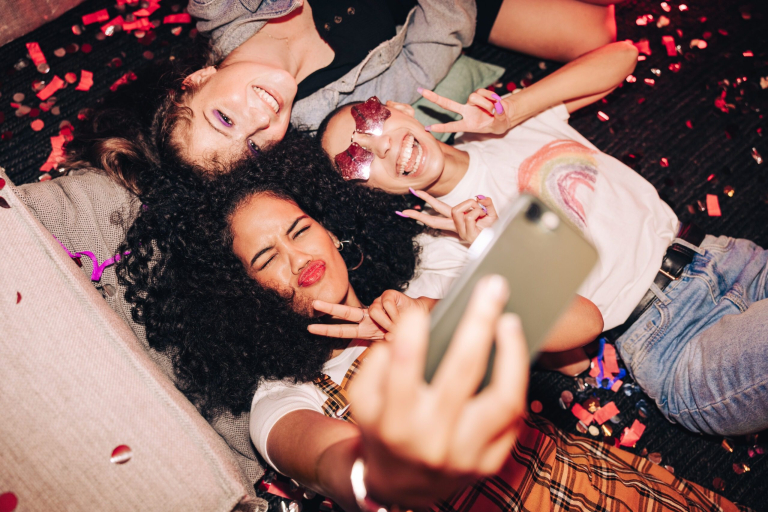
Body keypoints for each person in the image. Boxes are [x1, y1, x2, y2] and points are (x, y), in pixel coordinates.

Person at [117, 141, 749, 512]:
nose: (298, 257)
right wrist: (393, 469)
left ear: (331, 227)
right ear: (239, 292)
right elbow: (339, 469)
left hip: (599, 485)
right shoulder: (282, 395)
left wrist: (436, 313)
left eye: (299, 229)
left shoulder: (424, 282)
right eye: (264, 258)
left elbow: (584, 319)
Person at [317, 48, 768, 436]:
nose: (385, 149)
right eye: (358, 162)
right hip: (673, 346)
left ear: (399, 107)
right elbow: (580, 338)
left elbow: (623, 55)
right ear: (368, 194)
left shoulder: (499, 123)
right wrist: (495, 251)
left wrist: (514, 110)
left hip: (726, 258)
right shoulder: (441, 251)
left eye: (372, 124)